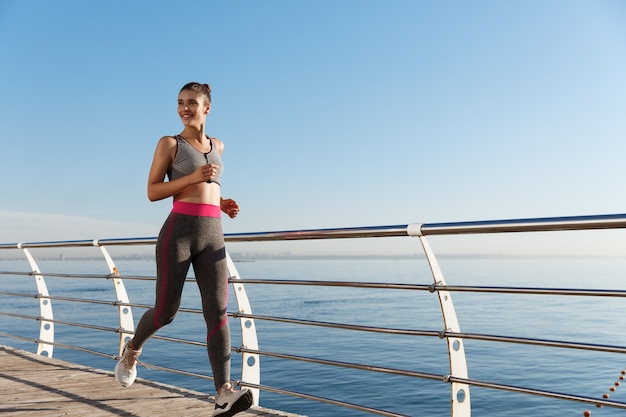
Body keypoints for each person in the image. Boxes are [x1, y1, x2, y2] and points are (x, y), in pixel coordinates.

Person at [114, 82, 253, 417]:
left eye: (192, 103)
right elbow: (153, 191)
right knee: (166, 311)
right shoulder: (169, 143)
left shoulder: (217, 145)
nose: (184, 108)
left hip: (212, 234)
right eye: (180, 103)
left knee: (217, 312)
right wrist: (193, 178)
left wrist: (221, 203)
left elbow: (208, 185)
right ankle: (132, 350)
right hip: (178, 232)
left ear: (207, 107)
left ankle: (223, 392)